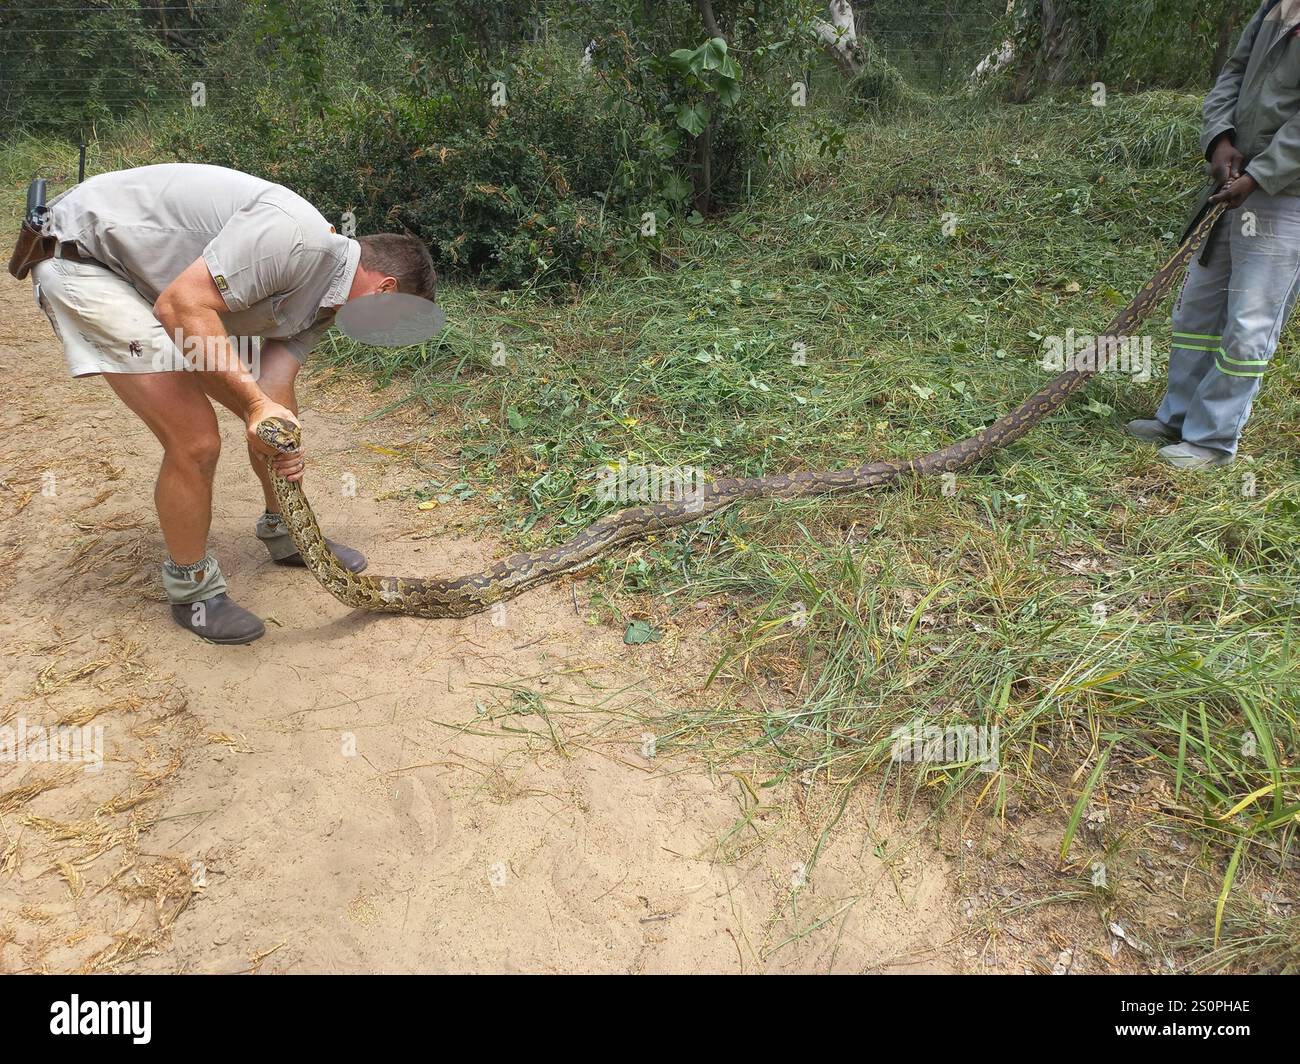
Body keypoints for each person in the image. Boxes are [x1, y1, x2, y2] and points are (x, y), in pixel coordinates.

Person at [25, 163, 436, 644]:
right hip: (87, 260)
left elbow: (273, 389)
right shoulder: (298, 240)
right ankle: (193, 590)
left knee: (270, 418)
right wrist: (254, 405)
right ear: (384, 289)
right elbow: (182, 306)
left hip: (155, 283)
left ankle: (286, 532)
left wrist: (272, 425)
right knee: (195, 439)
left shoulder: (328, 303)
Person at [1128, 0, 1300, 469]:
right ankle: (1178, 417)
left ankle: (1212, 439)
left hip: (1284, 192)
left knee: (1249, 321)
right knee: (1197, 309)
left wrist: (1261, 174)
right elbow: (1233, 72)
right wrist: (1220, 138)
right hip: (1232, 181)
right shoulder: (1274, 7)